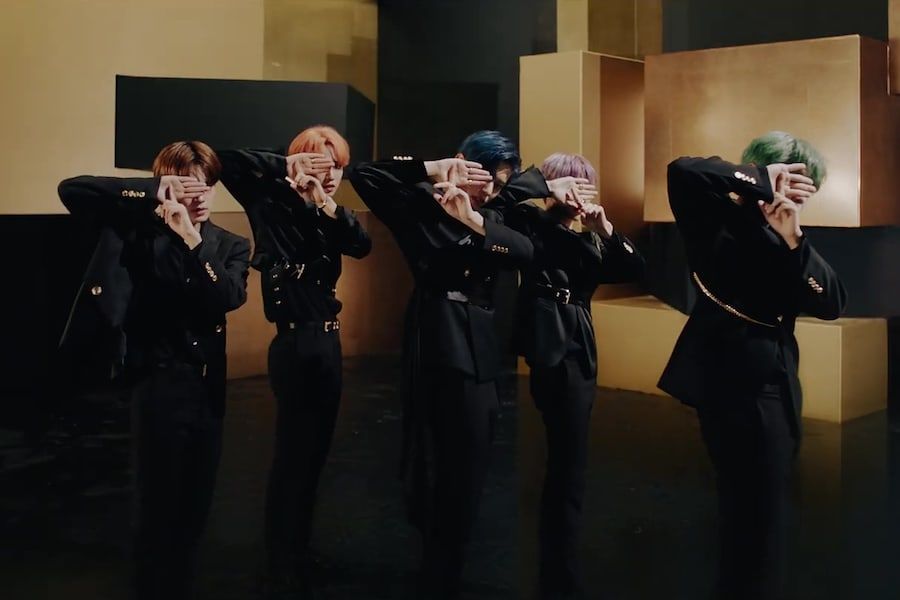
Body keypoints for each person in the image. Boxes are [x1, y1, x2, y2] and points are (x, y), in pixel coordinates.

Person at [350, 130, 593, 598]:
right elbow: (365, 175)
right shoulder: (419, 202)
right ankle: (435, 566)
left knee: (472, 462)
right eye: (488, 180)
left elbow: (524, 250)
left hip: (481, 337)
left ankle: (448, 562)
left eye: (501, 184)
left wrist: (478, 219)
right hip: (436, 328)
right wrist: (434, 168)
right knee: (434, 459)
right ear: (463, 162)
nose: (492, 191)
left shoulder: (493, 209)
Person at [58, 140, 251, 600]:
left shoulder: (230, 244)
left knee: (195, 510)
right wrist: (155, 191)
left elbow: (228, 297)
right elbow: (73, 190)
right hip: (158, 384)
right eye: (188, 186)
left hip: (208, 392)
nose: (199, 196)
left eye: (206, 186)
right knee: (154, 512)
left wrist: (193, 241)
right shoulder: (139, 234)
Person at [658, 131, 847, 599]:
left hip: (775, 378)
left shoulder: (787, 233)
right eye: (793, 181)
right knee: (755, 513)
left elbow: (831, 302)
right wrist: (762, 178)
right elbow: (682, 169)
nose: (796, 196)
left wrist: (794, 239)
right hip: (733, 376)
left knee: (760, 509)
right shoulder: (714, 216)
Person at [215, 125, 371, 599]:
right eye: (322, 162)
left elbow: (361, 244)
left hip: (328, 341)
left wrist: (324, 202)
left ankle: (300, 548)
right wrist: (286, 165)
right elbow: (226, 158)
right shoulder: (269, 202)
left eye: (337, 165)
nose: (331, 173)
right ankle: (280, 559)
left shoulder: (330, 212)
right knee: (291, 458)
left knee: (315, 456)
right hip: (295, 341)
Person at [507, 152, 644, 599]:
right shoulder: (530, 222)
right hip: (548, 338)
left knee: (571, 457)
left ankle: (560, 553)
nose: (576, 192)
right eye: (567, 183)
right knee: (564, 453)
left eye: (583, 184)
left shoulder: (591, 236)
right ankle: (556, 563)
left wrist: (604, 227)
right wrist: (546, 190)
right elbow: (507, 201)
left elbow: (634, 270)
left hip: (579, 342)